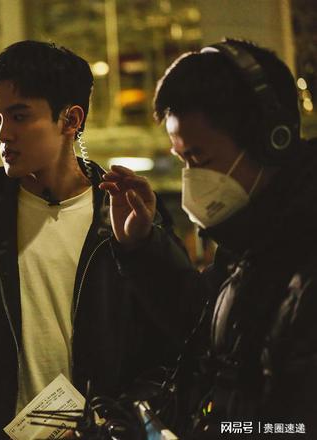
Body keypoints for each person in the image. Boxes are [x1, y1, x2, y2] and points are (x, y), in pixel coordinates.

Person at [0, 40, 195, 439]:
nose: (3, 134)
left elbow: (174, 348)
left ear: (70, 119)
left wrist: (116, 422)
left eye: (19, 116)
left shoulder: (125, 220)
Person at [116, 38, 317, 437]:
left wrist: (222, 430)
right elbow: (206, 329)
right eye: (183, 160)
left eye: (200, 159)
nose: (192, 178)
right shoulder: (252, 242)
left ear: (271, 141)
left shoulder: (300, 254)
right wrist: (142, 246)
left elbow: (296, 425)